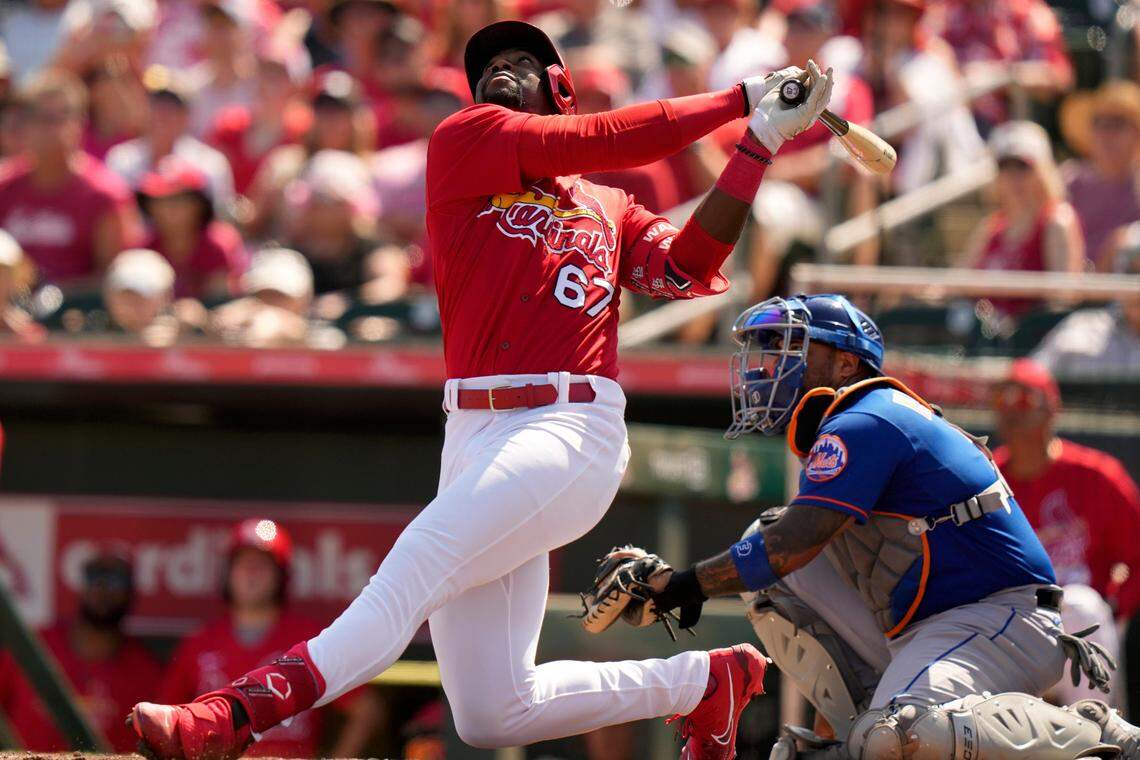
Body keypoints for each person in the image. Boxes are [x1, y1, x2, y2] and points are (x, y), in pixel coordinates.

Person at [129, 19, 836, 759]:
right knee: (492, 711)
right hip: (471, 430)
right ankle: (701, 682)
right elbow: (608, 140)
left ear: (560, 89)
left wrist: (757, 143)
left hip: (569, 424)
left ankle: (228, 717)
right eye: (490, 64)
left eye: (521, 62)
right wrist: (740, 99)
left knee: (410, 575)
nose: (499, 70)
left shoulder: (610, 208)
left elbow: (690, 265)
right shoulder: (467, 141)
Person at [607, 293, 1138, 759]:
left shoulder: (870, 416)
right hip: (928, 627)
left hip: (1001, 617)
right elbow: (785, 555)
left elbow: (795, 541)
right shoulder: (848, 424)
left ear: (844, 364)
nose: (769, 365)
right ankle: (861, 725)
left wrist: (682, 584)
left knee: (893, 737)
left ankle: (1089, 733)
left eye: (793, 349)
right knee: (767, 561)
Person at [160, 519, 381, 758]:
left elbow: (367, 710)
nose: (251, 574)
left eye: (261, 565)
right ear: (228, 572)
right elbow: (167, 719)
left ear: (281, 575)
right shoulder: (200, 642)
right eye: (243, 564)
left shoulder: (309, 638)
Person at [991, 359, 1140, 704]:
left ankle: (1098, 738)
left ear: (1052, 409)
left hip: (1080, 621)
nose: (1013, 412)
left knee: (1082, 605)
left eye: (1025, 400)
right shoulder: (985, 479)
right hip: (1012, 620)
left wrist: (1117, 605)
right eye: (1003, 400)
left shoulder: (1096, 475)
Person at [0, 551, 163, 752]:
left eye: (116, 581)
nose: (103, 589)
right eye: (95, 577)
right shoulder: (34, 646)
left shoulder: (146, 672)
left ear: (132, 593)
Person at [0, 69, 142, 289]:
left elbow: (115, 278)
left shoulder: (104, 194)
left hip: (80, 316)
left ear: (80, 123)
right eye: (41, 118)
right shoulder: (5, 186)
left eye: (61, 118)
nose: (52, 129)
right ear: (25, 124)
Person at [961, 120, 1085, 316]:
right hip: (985, 337)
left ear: (1042, 170)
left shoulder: (1056, 220)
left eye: (1023, 166)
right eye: (1005, 167)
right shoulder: (992, 226)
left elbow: (1061, 299)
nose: (1014, 177)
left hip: (1031, 340)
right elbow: (955, 284)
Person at [106, 65, 236, 220]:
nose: (163, 114)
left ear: (187, 115)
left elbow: (220, 222)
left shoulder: (210, 164)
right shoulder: (121, 159)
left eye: (173, 107)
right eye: (156, 105)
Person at [137, 155, 246, 300]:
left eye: (177, 200)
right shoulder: (145, 248)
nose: (168, 209)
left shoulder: (219, 244)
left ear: (199, 204)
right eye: (159, 201)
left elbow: (223, 300)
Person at [1059, 80, 1140, 268]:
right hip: (1066, 290)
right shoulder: (1069, 181)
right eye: (1099, 123)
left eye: (1117, 124)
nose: (1106, 133)